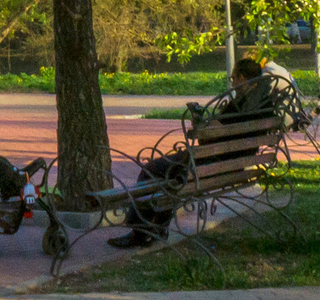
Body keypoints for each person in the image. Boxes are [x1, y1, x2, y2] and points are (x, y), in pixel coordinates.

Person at [106, 56, 301, 248]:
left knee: (152, 169)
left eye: (234, 78)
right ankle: (154, 229)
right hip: (233, 166)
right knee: (170, 177)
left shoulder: (239, 105)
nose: (232, 82)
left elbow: (207, 137)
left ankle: (139, 233)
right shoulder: (265, 106)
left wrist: (201, 122)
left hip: (209, 165)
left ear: (242, 78)